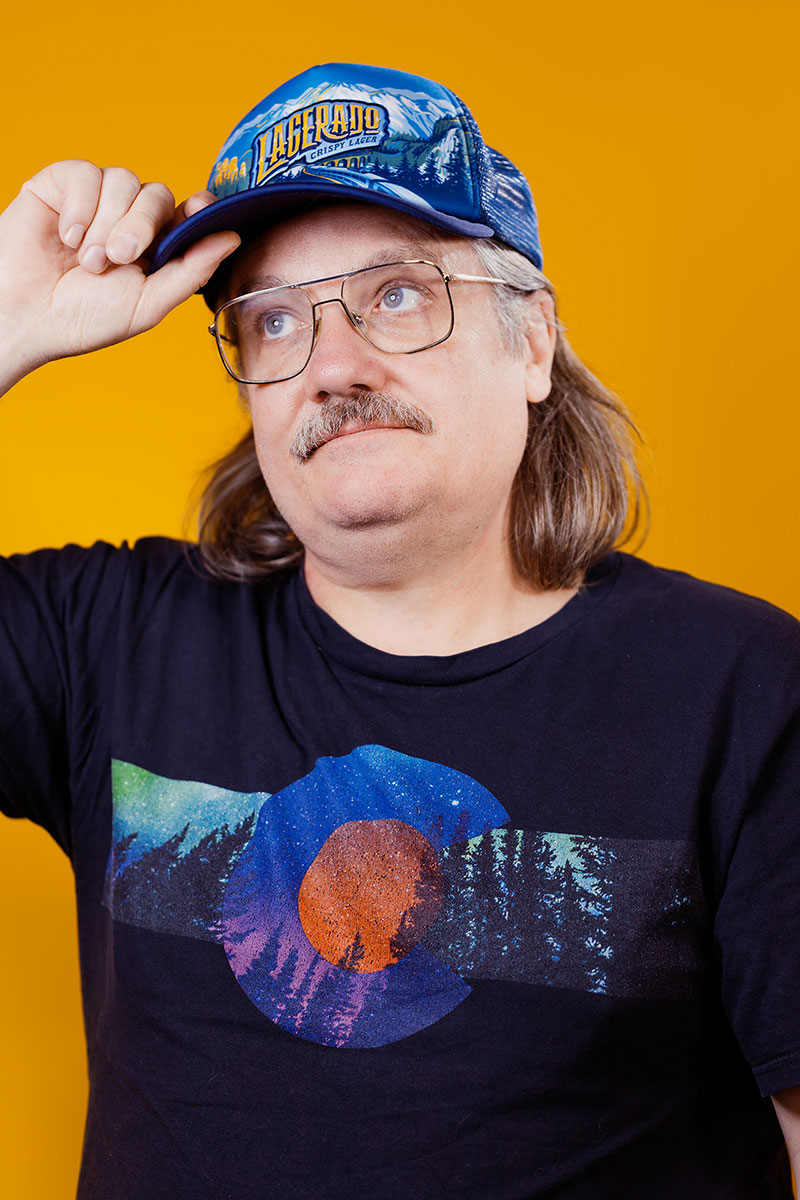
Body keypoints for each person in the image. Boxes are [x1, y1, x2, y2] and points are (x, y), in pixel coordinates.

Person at [1, 60, 799, 1199]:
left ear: (531, 343)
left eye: (396, 295)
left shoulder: (742, 690)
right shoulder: (110, 643)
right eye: (274, 319)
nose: (332, 365)